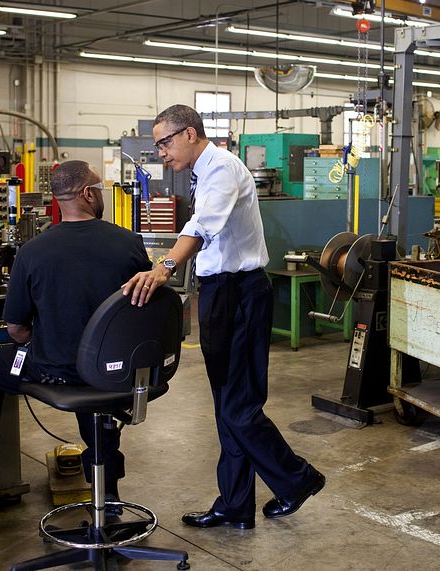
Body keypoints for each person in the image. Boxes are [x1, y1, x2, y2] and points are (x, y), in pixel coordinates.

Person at [123, 104, 323, 530]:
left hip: (240, 295)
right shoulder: (202, 170)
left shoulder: (223, 168)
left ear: (191, 133)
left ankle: (297, 479)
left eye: (165, 142)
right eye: (158, 144)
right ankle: (235, 503)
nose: (161, 152)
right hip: (219, 293)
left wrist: (164, 268)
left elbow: (204, 223)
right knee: (226, 405)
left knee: (240, 406)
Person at [0, 160, 151, 507]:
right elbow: (144, 310)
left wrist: (41, 338)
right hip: (116, 370)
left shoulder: (33, 251)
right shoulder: (129, 243)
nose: (102, 195)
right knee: (95, 381)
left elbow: (17, 330)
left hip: (56, 370)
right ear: (87, 194)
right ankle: (107, 489)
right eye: (99, 189)